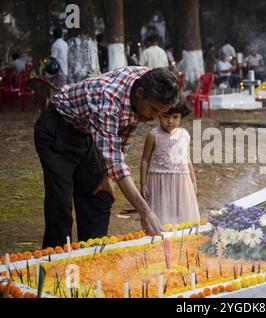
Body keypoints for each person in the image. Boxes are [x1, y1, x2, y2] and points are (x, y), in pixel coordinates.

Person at [34, 67, 179, 248]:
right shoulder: (108, 100)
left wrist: (108, 176)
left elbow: (126, 132)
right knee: (60, 202)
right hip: (57, 129)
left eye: (160, 112)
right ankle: (54, 260)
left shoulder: (149, 81)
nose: (154, 117)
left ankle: (93, 254)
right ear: (139, 93)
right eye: (153, 109)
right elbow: (116, 162)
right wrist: (145, 211)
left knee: (101, 194)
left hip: (89, 133)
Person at [140, 99, 200, 225]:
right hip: (160, 181)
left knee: (182, 211)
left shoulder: (184, 135)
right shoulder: (153, 135)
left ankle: (181, 239)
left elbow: (186, 158)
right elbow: (145, 160)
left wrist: (193, 180)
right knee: (162, 212)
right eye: (166, 116)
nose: (170, 121)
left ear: (181, 116)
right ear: (159, 115)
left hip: (182, 181)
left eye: (175, 117)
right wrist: (143, 183)